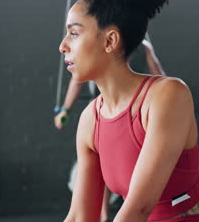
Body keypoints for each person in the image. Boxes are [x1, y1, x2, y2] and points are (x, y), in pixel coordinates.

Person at [60, 0, 199, 221]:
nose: (63, 46)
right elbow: (80, 216)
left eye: (74, 33)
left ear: (110, 41)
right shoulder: (89, 120)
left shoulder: (169, 96)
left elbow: (136, 211)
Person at [55, 39, 165, 222]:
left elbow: (159, 75)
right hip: (119, 111)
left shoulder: (139, 47)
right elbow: (159, 74)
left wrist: (65, 109)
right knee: (105, 166)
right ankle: (104, 214)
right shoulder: (141, 47)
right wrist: (65, 109)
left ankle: (105, 214)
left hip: (130, 111)